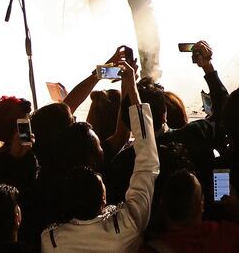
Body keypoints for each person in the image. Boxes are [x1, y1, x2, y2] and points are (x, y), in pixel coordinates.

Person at [42, 62, 159, 250]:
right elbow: (147, 162)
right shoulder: (127, 225)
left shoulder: (51, 240)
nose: (104, 149)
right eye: (99, 147)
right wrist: (131, 89)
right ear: (104, 199)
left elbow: (54, 118)